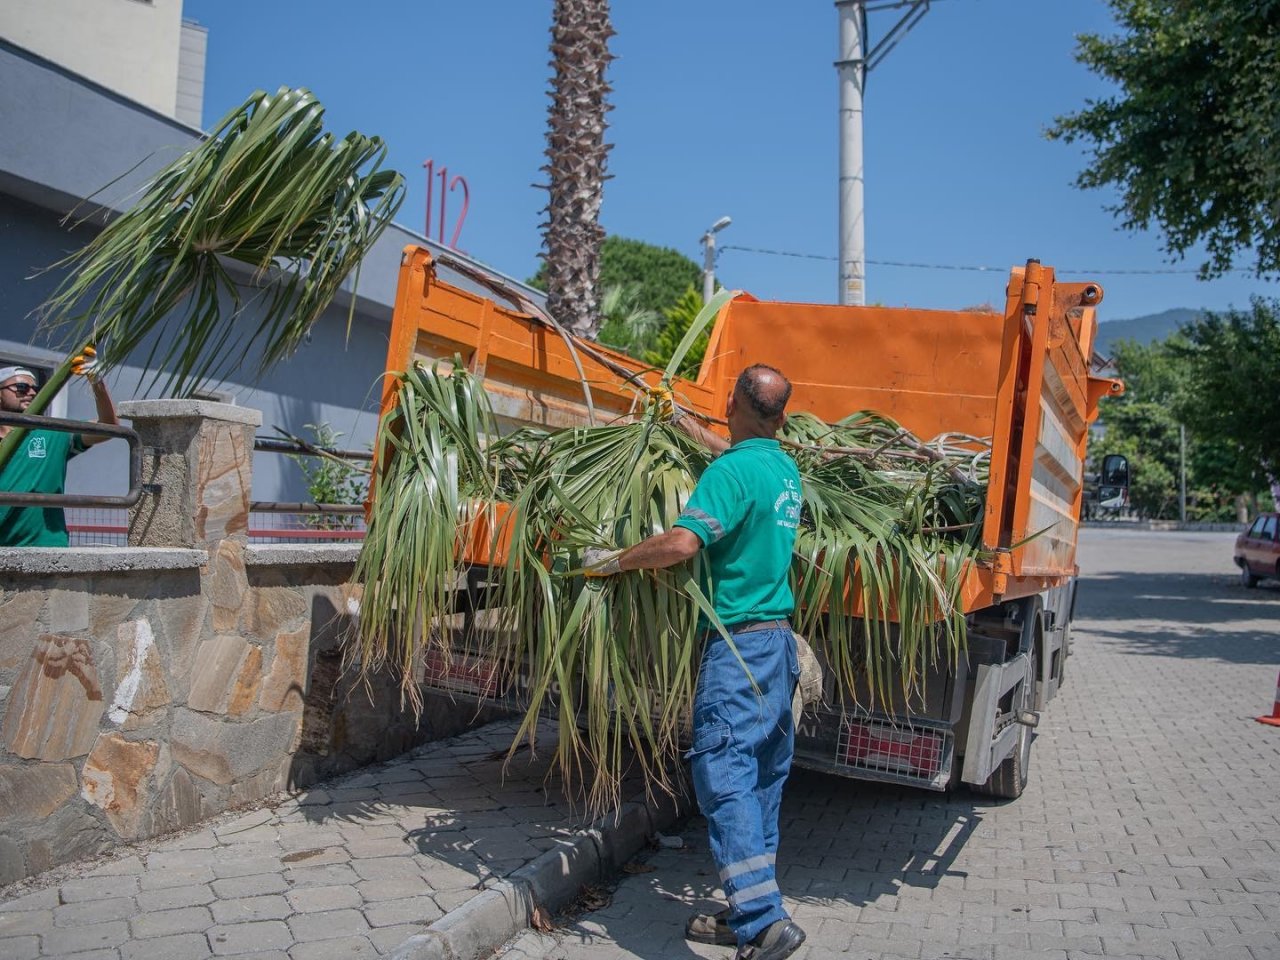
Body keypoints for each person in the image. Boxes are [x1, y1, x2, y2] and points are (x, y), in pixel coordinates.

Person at [583, 364, 807, 960]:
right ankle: (752, 913)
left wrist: (616, 561)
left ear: (732, 403)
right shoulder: (782, 470)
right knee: (761, 779)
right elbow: (736, 452)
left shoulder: (730, 473)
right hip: (778, 647)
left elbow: (683, 544)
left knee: (724, 774)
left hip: (737, 649)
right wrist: (683, 423)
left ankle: (762, 922)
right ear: (781, 417)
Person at [0, 348, 118, 547]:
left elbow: (109, 428)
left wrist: (96, 380)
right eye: (21, 387)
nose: (31, 392)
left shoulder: (53, 432)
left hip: (46, 546)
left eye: (34, 388)